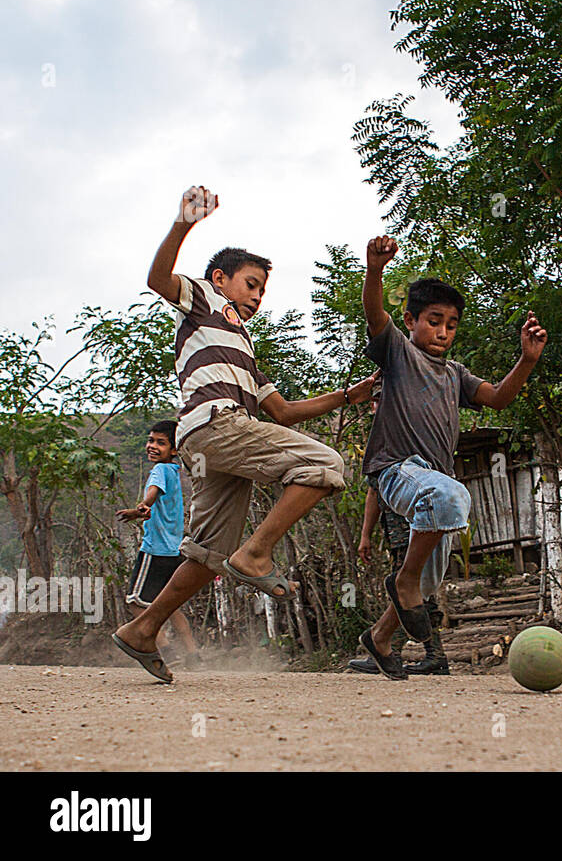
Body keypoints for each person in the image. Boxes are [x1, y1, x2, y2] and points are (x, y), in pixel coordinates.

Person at [112, 185, 376, 683]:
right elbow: (156, 277)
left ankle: (142, 629)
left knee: (207, 552)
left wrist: (350, 395)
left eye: (262, 291)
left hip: (213, 443)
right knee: (326, 465)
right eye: (251, 285)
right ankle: (255, 555)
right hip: (217, 425)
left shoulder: (244, 351)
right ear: (220, 279)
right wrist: (184, 222)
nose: (256, 297)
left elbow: (284, 412)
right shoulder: (205, 302)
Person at [355, 234, 545, 679]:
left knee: (424, 582)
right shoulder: (398, 352)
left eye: (452, 324)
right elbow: (374, 313)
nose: (443, 331)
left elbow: (498, 398)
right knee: (451, 501)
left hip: (433, 484)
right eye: (434, 321)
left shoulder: (455, 374)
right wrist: (375, 270)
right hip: (397, 469)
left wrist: (527, 360)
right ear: (412, 321)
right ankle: (402, 582)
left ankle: (379, 638)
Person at [348, 390, 452, 675]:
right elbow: (374, 489)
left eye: (384, 398)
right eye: (375, 399)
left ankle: (414, 651)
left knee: (412, 588)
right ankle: (399, 648)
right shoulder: (380, 437)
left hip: (418, 521)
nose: (378, 404)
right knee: (410, 588)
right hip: (396, 527)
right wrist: (366, 534)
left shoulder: (410, 429)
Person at [115, 419, 198, 662]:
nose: (152, 446)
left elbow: (152, 493)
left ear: (174, 450)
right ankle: (193, 655)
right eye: (151, 440)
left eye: (160, 443)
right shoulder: (174, 470)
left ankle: (164, 650)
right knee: (169, 605)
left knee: (135, 602)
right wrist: (147, 508)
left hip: (155, 550)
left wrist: (141, 508)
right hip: (174, 550)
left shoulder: (160, 470)